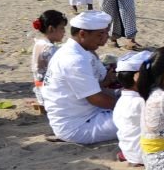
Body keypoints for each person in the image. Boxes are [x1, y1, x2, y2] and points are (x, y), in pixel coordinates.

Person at [40, 11, 119, 144]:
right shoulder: (74, 60)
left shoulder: (77, 51)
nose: (105, 38)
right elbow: (96, 99)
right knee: (142, 115)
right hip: (78, 126)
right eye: (101, 34)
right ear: (82, 34)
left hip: (86, 114)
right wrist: (128, 106)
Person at [113, 51, 151, 166]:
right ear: (138, 77)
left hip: (129, 152)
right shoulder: (142, 102)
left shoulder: (122, 100)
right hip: (144, 155)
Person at [30, 10, 67, 111]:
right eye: (62, 28)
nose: (64, 32)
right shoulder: (50, 49)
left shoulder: (39, 43)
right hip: (49, 94)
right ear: (51, 29)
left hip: (40, 90)